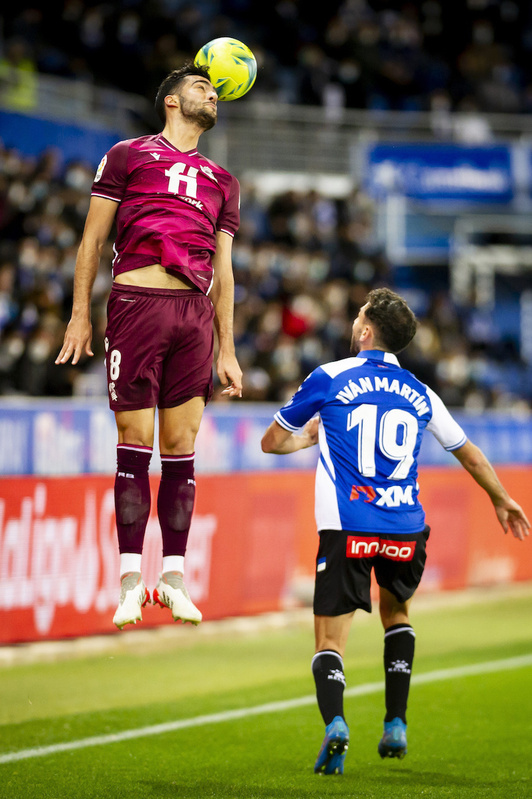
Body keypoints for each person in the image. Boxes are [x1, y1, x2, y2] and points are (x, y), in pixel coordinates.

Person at [261, 287, 529, 775]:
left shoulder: (330, 376)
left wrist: (310, 437)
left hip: (348, 525)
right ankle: (396, 723)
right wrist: (501, 498)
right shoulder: (422, 391)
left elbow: (272, 441)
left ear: (365, 331)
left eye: (358, 316)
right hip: (406, 528)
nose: (353, 323)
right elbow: (467, 452)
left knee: (330, 642)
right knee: (398, 613)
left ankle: (336, 725)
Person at [56, 63, 243, 630]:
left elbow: (225, 272)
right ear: (171, 101)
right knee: (134, 442)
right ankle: (131, 581)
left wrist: (227, 349)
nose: (212, 95)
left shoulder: (224, 180)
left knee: (182, 447)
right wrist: (79, 316)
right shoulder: (127, 155)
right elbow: (92, 240)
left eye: (215, 91)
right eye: (201, 87)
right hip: (137, 305)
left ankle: (175, 578)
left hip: (194, 315)